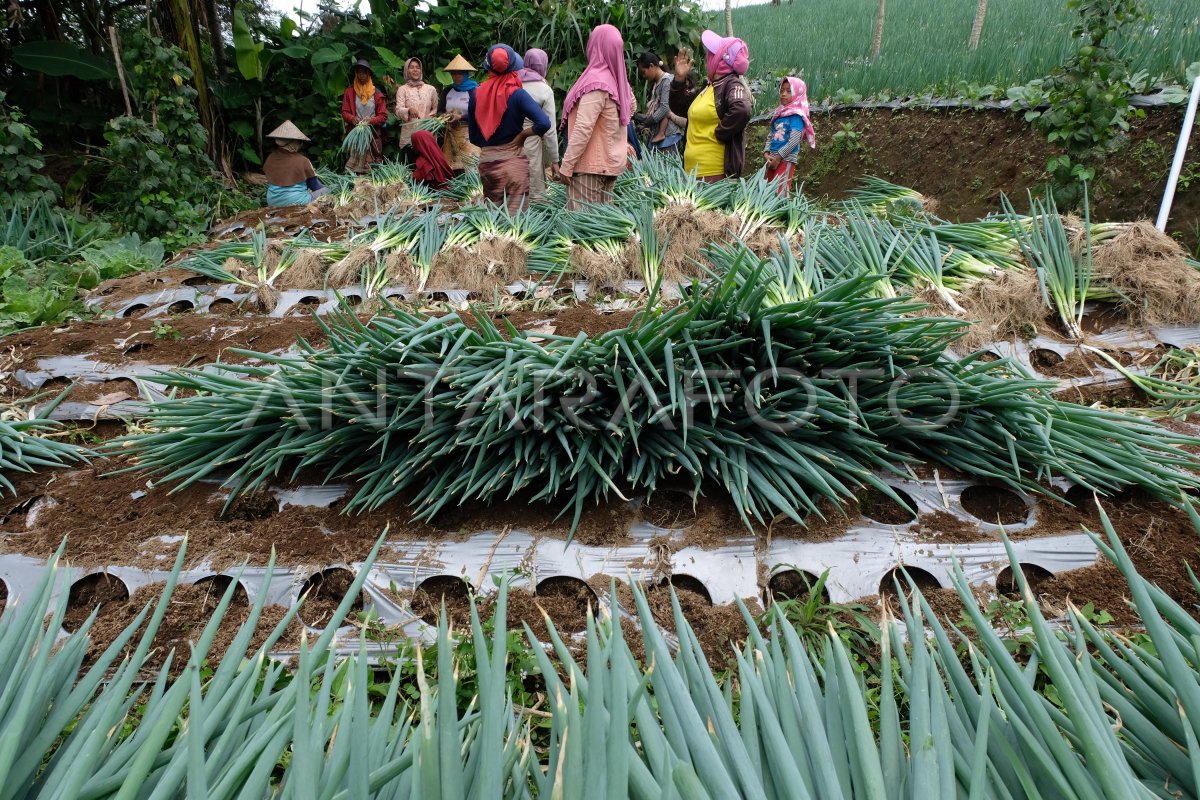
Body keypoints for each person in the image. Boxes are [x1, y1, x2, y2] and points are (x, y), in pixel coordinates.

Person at [468, 44, 551, 213]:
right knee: (515, 218)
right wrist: (522, 136)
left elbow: (474, 138)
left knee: (494, 215)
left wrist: (492, 148)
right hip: (513, 164)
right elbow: (544, 123)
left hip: (488, 164)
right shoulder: (518, 94)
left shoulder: (475, 94)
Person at [557, 24, 633, 210]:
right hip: (610, 165)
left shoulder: (596, 82)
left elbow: (583, 127)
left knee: (581, 228)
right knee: (602, 227)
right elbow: (630, 109)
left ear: (595, 46)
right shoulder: (618, 80)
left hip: (589, 168)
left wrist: (567, 164)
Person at [669, 31, 752, 181]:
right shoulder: (709, 87)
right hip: (693, 173)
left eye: (712, 54)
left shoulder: (731, 84)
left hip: (713, 174)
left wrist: (719, 133)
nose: (708, 56)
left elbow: (742, 109)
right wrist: (679, 79)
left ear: (720, 59)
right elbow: (680, 108)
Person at [517, 48, 560, 198]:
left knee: (512, 191)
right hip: (531, 144)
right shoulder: (544, 90)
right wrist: (555, 160)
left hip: (508, 142)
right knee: (533, 192)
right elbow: (549, 130)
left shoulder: (512, 83)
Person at [763, 77, 816, 195]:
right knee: (768, 190)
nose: (783, 94)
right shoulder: (779, 114)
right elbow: (771, 135)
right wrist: (766, 153)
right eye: (782, 90)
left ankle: (780, 212)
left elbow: (794, 141)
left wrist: (778, 157)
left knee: (780, 192)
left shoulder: (796, 117)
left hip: (785, 159)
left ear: (798, 94)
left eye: (788, 91)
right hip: (772, 158)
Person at [262, 121, 326, 207]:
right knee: (328, 190)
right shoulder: (303, 161)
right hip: (296, 202)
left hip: (272, 202)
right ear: (292, 144)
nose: (301, 144)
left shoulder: (270, 157)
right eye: (299, 142)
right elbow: (315, 186)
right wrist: (326, 188)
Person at [340, 58, 388, 173]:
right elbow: (345, 112)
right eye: (359, 72)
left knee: (373, 165)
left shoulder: (376, 93)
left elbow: (383, 116)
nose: (361, 75)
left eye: (364, 72)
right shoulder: (350, 92)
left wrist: (370, 120)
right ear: (356, 74)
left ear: (368, 74)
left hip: (372, 133)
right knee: (355, 164)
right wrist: (353, 118)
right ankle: (356, 185)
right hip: (356, 132)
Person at [633, 51, 686, 154]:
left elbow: (664, 108)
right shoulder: (656, 83)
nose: (643, 76)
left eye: (644, 72)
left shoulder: (667, 81)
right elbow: (655, 112)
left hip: (669, 135)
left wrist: (645, 124)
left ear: (651, 66)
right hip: (661, 135)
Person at [439, 54, 481, 174]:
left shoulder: (474, 91)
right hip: (451, 133)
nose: (456, 76)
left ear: (466, 74)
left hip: (469, 134)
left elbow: (479, 114)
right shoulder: (447, 91)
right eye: (453, 74)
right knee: (452, 167)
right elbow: (440, 110)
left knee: (471, 167)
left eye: (459, 74)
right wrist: (442, 116)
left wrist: (461, 117)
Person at [394, 56, 439, 150]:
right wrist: (408, 110)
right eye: (411, 67)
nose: (415, 70)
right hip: (409, 136)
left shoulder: (430, 89)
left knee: (427, 163)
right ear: (407, 70)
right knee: (411, 163)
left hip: (427, 133)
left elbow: (436, 108)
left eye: (418, 67)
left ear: (421, 70)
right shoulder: (402, 90)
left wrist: (429, 118)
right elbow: (398, 110)